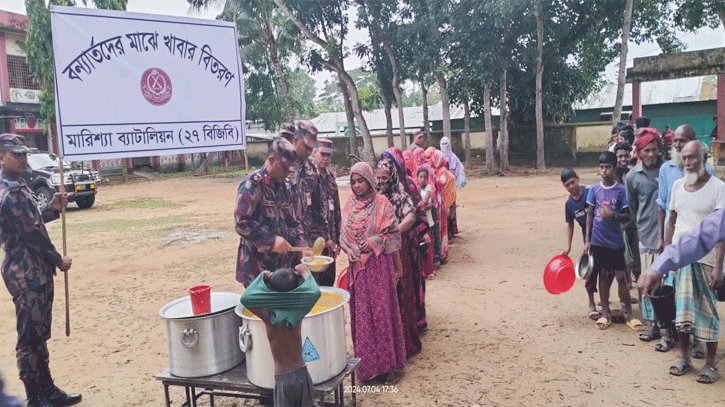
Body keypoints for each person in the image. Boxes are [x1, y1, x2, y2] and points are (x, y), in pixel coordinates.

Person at [0, 133, 80, 407]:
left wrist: (52, 208)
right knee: (29, 339)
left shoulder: (20, 185)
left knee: (39, 334)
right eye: (16, 154)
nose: (22, 158)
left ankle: (48, 390)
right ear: (2, 157)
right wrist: (58, 259)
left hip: (37, 271)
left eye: (24, 153)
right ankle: (35, 398)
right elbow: (32, 234)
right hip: (25, 274)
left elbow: (33, 220)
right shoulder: (8, 191)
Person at [662, 140, 725, 383]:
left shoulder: (719, 188)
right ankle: (684, 357)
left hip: (707, 259)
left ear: (704, 158)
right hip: (681, 259)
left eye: (692, 157)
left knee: (707, 311)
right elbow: (671, 220)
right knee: (682, 311)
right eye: (684, 157)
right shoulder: (677, 186)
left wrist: (719, 266)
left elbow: (721, 230)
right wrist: (667, 257)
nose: (687, 162)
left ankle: (710, 364)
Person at [339, 162, 406, 384]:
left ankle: (389, 367)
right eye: (353, 182)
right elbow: (342, 236)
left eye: (361, 181)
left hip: (379, 269)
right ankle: (367, 368)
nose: (357, 186)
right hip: (358, 271)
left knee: (381, 316)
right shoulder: (349, 206)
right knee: (363, 319)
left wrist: (374, 241)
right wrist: (349, 250)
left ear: (370, 180)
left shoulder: (383, 204)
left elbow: (393, 233)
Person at [656, 124, 715, 358]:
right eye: (676, 141)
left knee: (700, 295)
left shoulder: (708, 172)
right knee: (675, 292)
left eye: (684, 141)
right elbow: (663, 208)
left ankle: (700, 341)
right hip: (677, 244)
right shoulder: (667, 171)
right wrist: (664, 242)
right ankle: (672, 336)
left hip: (701, 247)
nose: (679, 145)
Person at [240, 265, 321, 407]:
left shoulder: (268, 316)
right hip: (301, 374)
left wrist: (263, 278)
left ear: (270, 289)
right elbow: (315, 292)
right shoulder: (297, 311)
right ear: (296, 289)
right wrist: (305, 272)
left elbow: (246, 298)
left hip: (282, 380)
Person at [234, 138, 310, 287]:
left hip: (283, 269)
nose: (288, 172)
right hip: (258, 270)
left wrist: (302, 245)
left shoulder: (285, 187)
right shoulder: (252, 185)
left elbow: (293, 222)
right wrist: (271, 240)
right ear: (271, 160)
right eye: (285, 167)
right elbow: (241, 223)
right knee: (263, 310)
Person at [584, 151, 642, 332]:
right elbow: (590, 215)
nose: (604, 171)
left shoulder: (621, 190)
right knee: (603, 274)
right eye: (601, 167)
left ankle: (629, 315)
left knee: (621, 276)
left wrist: (612, 215)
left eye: (607, 167)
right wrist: (587, 240)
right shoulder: (593, 190)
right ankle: (605, 314)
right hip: (598, 241)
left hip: (616, 242)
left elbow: (627, 216)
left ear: (614, 168)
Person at [625, 132, 670, 348]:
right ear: (640, 152)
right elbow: (634, 209)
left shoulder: (669, 170)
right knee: (648, 285)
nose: (651, 154)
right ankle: (653, 325)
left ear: (659, 149)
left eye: (654, 149)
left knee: (669, 283)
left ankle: (670, 328)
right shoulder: (633, 177)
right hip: (646, 235)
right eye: (646, 150)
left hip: (670, 238)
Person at [376, 158, 422, 358]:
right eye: (378, 179)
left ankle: (405, 345)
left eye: (384, 179)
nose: (380, 183)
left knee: (401, 294)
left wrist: (396, 230)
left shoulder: (399, 194)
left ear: (392, 178)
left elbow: (411, 215)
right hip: (378, 252)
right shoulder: (373, 197)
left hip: (398, 250)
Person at [288, 120, 326, 263]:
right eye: (306, 146)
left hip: (308, 241)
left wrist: (321, 237)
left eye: (312, 147)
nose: (310, 150)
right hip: (286, 243)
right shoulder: (282, 164)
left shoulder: (312, 168)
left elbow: (318, 206)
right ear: (296, 140)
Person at [560, 168, 596, 319]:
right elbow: (570, 224)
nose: (570, 187)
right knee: (590, 272)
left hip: (603, 235)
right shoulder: (569, 204)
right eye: (567, 185)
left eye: (572, 183)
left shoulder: (590, 192)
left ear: (578, 179)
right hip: (588, 240)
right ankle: (592, 304)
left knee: (611, 270)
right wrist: (568, 246)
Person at [313, 138, 341, 287]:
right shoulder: (309, 177)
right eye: (322, 154)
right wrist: (324, 239)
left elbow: (336, 210)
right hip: (314, 242)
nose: (325, 159)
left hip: (331, 244)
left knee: (329, 281)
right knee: (315, 284)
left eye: (328, 155)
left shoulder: (331, 178)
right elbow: (307, 214)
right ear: (315, 152)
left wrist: (338, 239)